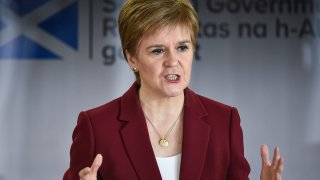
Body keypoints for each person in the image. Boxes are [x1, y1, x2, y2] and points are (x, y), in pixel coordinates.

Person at [63, 0, 284, 179]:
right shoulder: (96, 127)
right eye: (158, 50)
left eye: (182, 47)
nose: (173, 61)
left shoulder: (225, 121)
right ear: (132, 58)